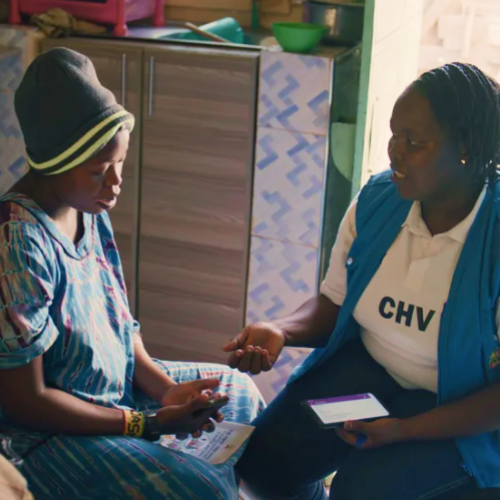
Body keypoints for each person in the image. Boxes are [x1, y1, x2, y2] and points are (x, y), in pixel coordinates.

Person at [224, 62, 500, 500]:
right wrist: (281, 329)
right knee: (263, 461)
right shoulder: (378, 201)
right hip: (372, 376)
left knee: (361, 490)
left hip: (457, 410)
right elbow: (333, 304)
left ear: (465, 148)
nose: (395, 152)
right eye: (394, 135)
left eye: (414, 143)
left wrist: (404, 431)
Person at [0, 48, 264, 500]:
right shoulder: (17, 243)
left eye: (119, 163)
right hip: (50, 437)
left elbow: (121, 325)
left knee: (241, 394)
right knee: (202, 487)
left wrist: (167, 393)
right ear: (53, 165)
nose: (115, 183)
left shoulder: (88, 205)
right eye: (99, 171)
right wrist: (145, 423)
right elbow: (27, 402)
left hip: (115, 396)